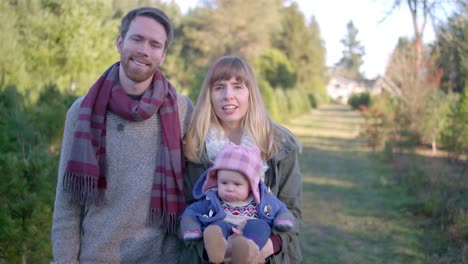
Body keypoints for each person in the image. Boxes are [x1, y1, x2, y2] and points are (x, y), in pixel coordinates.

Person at [51, 7, 194, 263]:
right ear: (120, 42)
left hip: (166, 258)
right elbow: (67, 204)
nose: (144, 50)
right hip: (100, 257)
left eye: (154, 44)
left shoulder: (182, 110)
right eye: (137, 39)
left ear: (163, 55)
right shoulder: (83, 112)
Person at [182, 55, 302, 263]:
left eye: (237, 86)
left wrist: (265, 248)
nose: (228, 95)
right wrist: (215, 251)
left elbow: (293, 212)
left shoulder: (279, 145)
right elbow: (187, 211)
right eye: (219, 87)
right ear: (209, 95)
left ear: (250, 94)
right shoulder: (194, 147)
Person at [180, 144, 294, 263]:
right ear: (216, 181)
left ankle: (249, 248)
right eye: (224, 183)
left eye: (237, 184)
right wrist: (191, 228)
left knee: (261, 226)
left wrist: (283, 219)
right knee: (216, 226)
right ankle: (218, 249)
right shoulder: (212, 198)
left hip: (250, 229)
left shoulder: (262, 199)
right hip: (225, 229)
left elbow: (281, 209)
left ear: (251, 186)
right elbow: (191, 212)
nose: (230, 188)